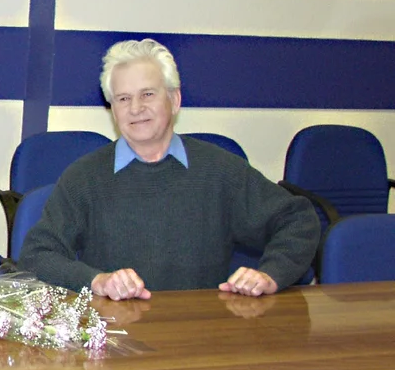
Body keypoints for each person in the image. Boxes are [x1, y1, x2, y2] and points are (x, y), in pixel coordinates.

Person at [18, 39, 319, 300]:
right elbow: (37, 254)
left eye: (148, 94)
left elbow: (297, 220)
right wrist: (97, 281)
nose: (136, 108)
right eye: (123, 99)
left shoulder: (220, 170)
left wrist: (270, 275)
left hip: (200, 328)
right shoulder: (85, 178)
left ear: (174, 100)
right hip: (115, 332)